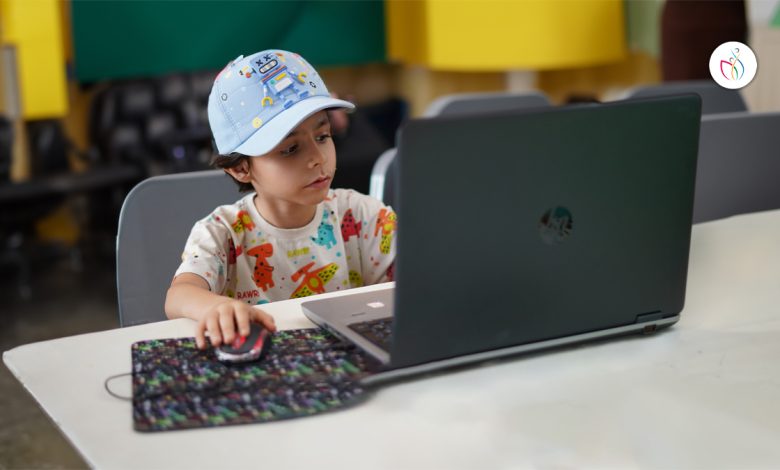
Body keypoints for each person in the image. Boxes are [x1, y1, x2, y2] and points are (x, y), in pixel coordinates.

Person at [164, 49, 397, 349]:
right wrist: (216, 307)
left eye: (323, 136)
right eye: (290, 149)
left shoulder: (363, 216)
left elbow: (420, 272)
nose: (318, 157)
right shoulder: (221, 232)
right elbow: (178, 295)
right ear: (240, 167)